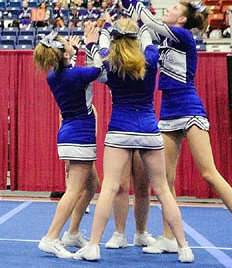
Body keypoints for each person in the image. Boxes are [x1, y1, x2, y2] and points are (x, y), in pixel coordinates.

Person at [107, 0, 232, 262]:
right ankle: (168, 238)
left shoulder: (182, 36)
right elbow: (142, 23)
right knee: (164, 181)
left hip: (189, 108)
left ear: (181, 19)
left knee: (209, 172)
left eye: (174, 8)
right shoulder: (164, 40)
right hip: (167, 111)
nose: (168, 9)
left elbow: (149, 21)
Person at [72, 19, 193, 263]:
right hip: (149, 128)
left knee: (109, 188)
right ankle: (184, 247)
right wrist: (139, 24)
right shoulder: (150, 58)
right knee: (162, 190)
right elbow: (147, 35)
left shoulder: (109, 62)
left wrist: (101, 32)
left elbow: (97, 49)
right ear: (136, 38)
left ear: (115, 39)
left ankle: (94, 245)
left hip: (120, 129)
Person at [33, 27, 102, 258]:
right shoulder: (76, 75)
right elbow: (100, 69)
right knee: (73, 191)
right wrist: (92, 45)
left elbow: (73, 68)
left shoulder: (55, 75)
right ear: (63, 55)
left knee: (92, 184)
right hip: (80, 134)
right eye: (67, 44)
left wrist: (72, 50)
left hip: (70, 132)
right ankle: (51, 237)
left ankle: (72, 232)